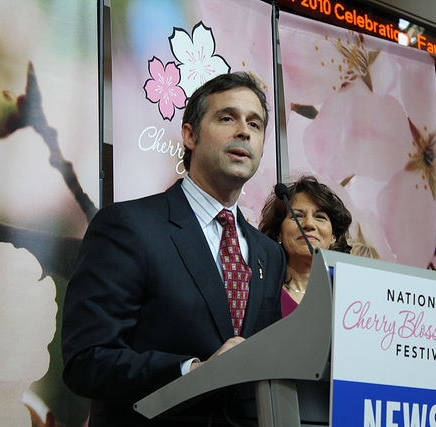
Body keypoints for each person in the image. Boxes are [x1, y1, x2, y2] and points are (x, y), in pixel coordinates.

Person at [61, 72, 286, 426]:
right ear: (190, 134)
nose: (244, 131)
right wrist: (193, 372)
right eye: (227, 117)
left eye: (255, 124)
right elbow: (87, 361)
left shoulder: (268, 254)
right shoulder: (129, 226)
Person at [259, 175, 352, 317]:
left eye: (320, 217)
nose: (309, 224)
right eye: (297, 216)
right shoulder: (260, 292)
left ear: (334, 236)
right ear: (279, 233)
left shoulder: (350, 298)